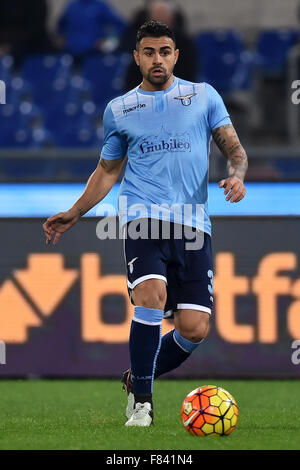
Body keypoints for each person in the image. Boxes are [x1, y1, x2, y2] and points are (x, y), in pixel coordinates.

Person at [43, 20, 247, 427]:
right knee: (150, 298)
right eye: (149, 52)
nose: (158, 59)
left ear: (176, 55)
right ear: (136, 57)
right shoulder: (120, 109)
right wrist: (76, 211)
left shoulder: (203, 96)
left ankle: (139, 375)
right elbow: (106, 171)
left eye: (165, 51)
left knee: (194, 328)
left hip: (193, 225)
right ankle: (143, 404)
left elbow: (234, 148)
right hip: (142, 219)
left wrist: (237, 175)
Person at [121, 0, 197, 89]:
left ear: (172, 18)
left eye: (164, 15)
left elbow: (188, 70)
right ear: (149, 16)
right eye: (157, 14)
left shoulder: (184, 42)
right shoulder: (134, 37)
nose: (160, 19)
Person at [55, 0, 126, 61]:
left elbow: (120, 25)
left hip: (92, 53)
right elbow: (60, 25)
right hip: (69, 53)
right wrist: (61, 37)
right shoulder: (72, 6)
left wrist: (107, 39)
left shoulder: (100, 6)